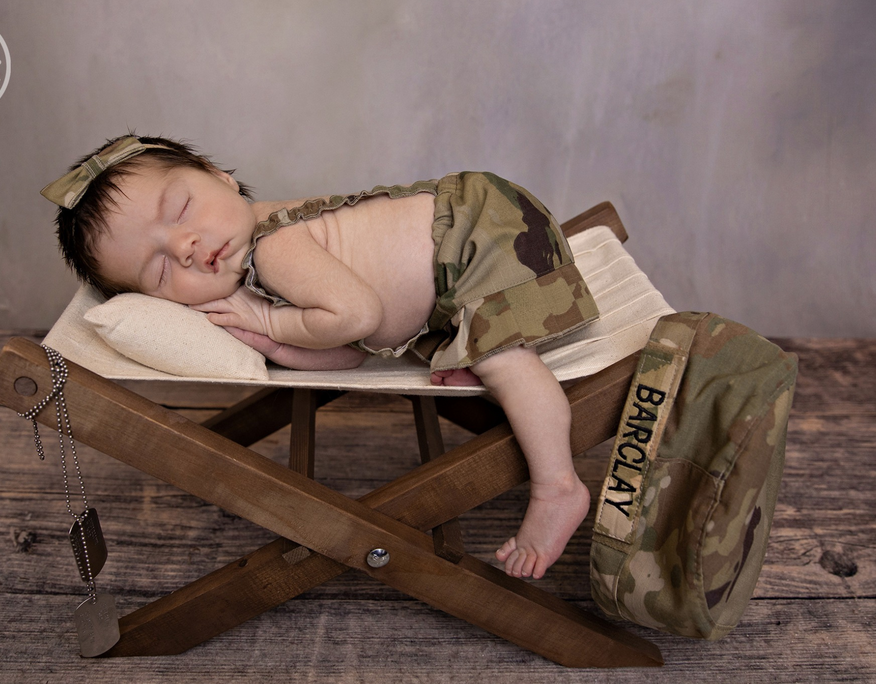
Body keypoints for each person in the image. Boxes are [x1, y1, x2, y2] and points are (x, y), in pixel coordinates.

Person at [42, 134, 600, 580]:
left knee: (505, 361)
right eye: (161, 269)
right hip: (457, 264)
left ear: (220, 177)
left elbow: (356, 317)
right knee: (487, 355)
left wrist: (269, 323)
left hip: (487, 235)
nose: (184, 245)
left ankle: (558, 486)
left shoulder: (274, 248)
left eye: (182, 208)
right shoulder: (249, 263)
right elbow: (346, 358)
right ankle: (467, 346)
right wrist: (274, 345)